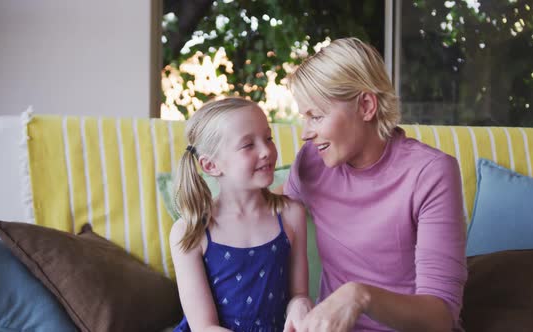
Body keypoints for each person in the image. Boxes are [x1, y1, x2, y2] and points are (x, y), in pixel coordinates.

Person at [281, 37, 467, 332]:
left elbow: (441, 318)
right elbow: (267, 220)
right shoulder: (311, 163)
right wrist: (298, 298)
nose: (306, 133)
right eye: (305, 117)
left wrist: (360, 296)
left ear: (366, 106)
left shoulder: (430, 173)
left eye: (316, 116)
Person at [169, 97, 310, 332]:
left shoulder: (291, 214)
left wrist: (300, 304)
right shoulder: (190, 232)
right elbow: (204, 327)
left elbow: (298, 294)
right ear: (211, 166)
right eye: (248, 145)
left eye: (268, 138)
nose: (266, 151)